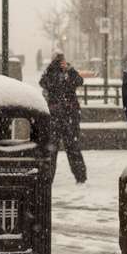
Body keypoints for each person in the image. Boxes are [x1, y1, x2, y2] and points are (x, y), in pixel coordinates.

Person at [39, 52, 87, 184]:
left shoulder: (69, 72)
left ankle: (80, 176)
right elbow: (43, 83)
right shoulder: (50, 72)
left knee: (69, 147)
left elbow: (79, 81)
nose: (60, 63)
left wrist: (70, 70)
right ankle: (51, 177)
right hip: (60, 115)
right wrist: (52, 70)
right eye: (58, 60)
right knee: (60, 148)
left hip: (66, 115)